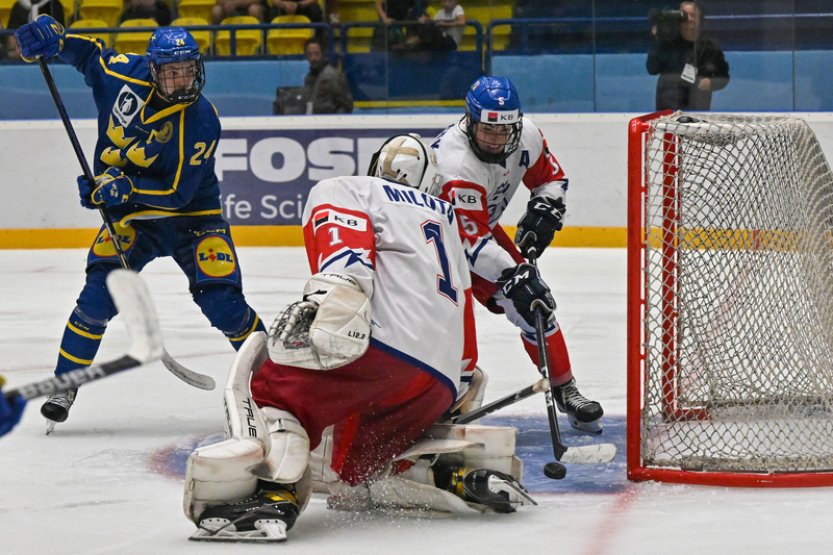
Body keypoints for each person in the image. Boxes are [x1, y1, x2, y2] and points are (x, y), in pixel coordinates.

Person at [183, 135, 534, 542]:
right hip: (436, 381)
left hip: (381, 350)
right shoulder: (447, 219)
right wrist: (450, 394)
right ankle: (429, 470)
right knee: (354, 466)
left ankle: (270, 491)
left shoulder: (352, 187)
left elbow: (344, 251)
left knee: (271, 390)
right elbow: (464, 330)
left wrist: (332, 296)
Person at [14, 19, 266, 427]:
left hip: (193, 221)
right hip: (131, 219)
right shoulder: (121, 75)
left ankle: (279, 380)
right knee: (96, 300)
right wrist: (56, 44)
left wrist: (121, 188)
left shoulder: (201, 120)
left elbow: (178, 194)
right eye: (172, 72)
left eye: (189, 70)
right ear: (152, 69)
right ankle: (65, 382)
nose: (183, 80)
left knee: (223, 304)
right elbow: (90, 54)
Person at [431, 75, 604, 434]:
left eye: (503, 131)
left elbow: (552, 178)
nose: (496, 140)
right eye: (487, 131)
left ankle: (565, 387)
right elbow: (470, 245)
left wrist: (544, 208)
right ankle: (433, 403)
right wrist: (514, 275)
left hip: (477, 231)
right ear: (470, 122)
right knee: (443, 324)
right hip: (435, 243)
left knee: (534, 303)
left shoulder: (526, 135)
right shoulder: (456, 163)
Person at [646, 1, 730, 111]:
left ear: (700, 20)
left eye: (693, 15)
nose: (688, 19)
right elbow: (652, 69)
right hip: (668, 108)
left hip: (697, 107)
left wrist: (711, 83)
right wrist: (657, 39)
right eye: (684, 15)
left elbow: (723, 76)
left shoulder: (710, 47)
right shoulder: (667, 43)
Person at [301, 37, 352, 114]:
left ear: (323, 54)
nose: (313, 58)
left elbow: (346, 105)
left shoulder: (333, 76)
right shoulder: (308, 78)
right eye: (310, 54)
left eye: (316, 53)